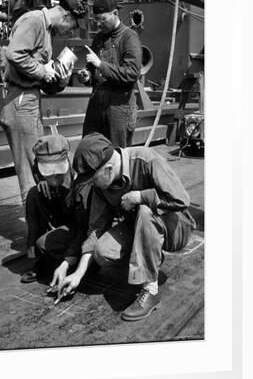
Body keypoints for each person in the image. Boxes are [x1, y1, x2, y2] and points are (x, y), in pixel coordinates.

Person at [58, 132, 196, 321]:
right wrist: (78, 274)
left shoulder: (147, 159)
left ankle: (151, 289)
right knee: (103, 251)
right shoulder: (102, 185)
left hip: (176, 227)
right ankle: (148, 257)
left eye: (92, 180)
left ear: (107, 169)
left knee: (145, 211)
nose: (92, 185)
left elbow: (181, 199)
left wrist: (140, 197)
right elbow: (96, 229)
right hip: (139, 227)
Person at [0, 0, 87, 205]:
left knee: (39, 161)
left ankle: (39, 220)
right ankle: (35, 227)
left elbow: (43, 78)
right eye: (73, 27)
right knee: (29, 169)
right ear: (66, 15)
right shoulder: (35, 20)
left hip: (29, 99)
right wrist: (42, 71)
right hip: (19, 99)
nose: (71, 32)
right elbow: (15, 54)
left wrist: (60, 75)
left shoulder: (45, 29)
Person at [21, 134, 90, 288]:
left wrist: (70, 257)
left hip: (80, 225)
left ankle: (76, 262)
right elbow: (38, 171)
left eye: (58, 172)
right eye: (48, 171)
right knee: (34, 194)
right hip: (61, 215)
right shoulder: (39, 169)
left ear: (67, 159)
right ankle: (39, 260)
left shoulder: (81, 177)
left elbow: (85, 226)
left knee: (45, 244)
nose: (54, 176)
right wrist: (43, 181)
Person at [78, 0, 142, 147]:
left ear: (115, 14)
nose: (99, 25)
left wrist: (100, 64)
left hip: (119, 108)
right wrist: (87, 76)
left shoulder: (129, 37)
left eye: (103, 19)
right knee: (89, 148)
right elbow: (93, 70)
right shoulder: (98, 39)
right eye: (96, 20)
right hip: (97, 104)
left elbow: (132, 73)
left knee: (117, 155)